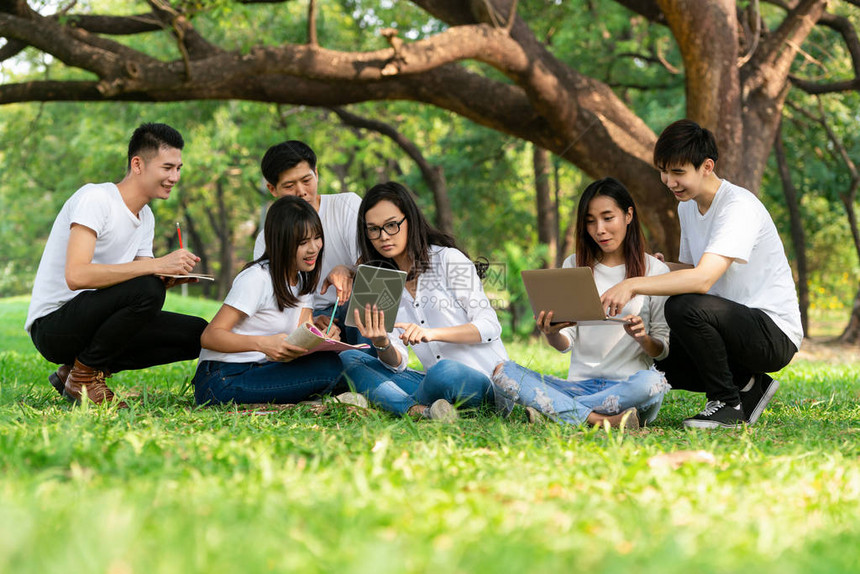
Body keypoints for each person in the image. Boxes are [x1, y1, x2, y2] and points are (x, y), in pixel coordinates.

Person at [601, 119, 803, 428]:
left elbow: (702, 280)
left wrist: (633, 285)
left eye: (678, 172)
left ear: (707, 166)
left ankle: (727, 405)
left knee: (681, 307)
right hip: (732, 326)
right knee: (660, 353)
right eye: (664, 171)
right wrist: (657, 266)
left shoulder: (737, 207)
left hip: (772, 332)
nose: (669, 181)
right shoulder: (688, 207)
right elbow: (693, 270)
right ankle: (749, 385)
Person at [25, 122, 208, 407]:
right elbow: (77, 275)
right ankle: (84, 377)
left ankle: (75, 371)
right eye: (167, 167)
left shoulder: (145, 217)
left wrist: (166, 275)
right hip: (54, 326)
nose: (175, 177)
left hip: (94, 319)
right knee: (148, 287)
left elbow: (139, 286)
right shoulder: (96, 199)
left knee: (198, 334)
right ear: (137, 164)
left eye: (178, 168)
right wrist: (153, 269)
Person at [492, 178, 671, 429]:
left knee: (652, 384)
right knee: (504, 371)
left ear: (628, 215)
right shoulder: (574, 265)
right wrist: (551, 333)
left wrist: (643, 338)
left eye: (608, 218)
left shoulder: (655, 270)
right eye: (590, 221)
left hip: (629, 386)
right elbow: (565, 343)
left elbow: (662, 350)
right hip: (578, 383)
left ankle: (556, 408)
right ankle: (599, 419)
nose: (599, 229)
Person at [338, 182, 509, 421]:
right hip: (430, 382)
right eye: (373, 229)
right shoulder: (377, 280)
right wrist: (381, 343)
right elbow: (397, 362)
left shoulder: (448, 259)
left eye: (391, 225)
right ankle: (424, 411)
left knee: (443, 372)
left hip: (480, 380)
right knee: (350, 359)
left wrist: (431, 333)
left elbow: (490, 326)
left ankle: (394, 402)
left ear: (410, 220)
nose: (383, 236)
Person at [192, 196, 346, 406]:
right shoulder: (257, 278)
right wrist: (263, 344)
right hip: (222, 378)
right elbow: (209, 336)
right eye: (302, 242)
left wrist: (324, 335)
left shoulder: (301, 277)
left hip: (263, 368)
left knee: (339, 363)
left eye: (317, 237)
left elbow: (303, 330)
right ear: (281, 242)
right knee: (330, 370)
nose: (313, 248)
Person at [254, 141, 365, 346]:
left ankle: (375, 365)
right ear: (272, 189)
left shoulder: (347, 205)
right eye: (289, 186)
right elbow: (272, 300)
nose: (301, 191)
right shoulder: (267, 238)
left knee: (370, 296)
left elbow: (374, 260)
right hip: (309, 315)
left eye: (306, 180)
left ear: (316, 173)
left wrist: (349, 270)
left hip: (355, 303)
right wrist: (309, 321)